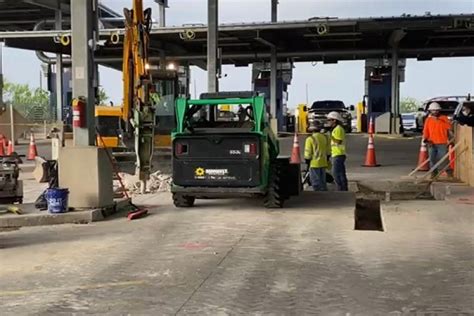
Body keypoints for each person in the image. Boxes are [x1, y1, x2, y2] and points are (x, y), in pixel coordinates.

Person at [422, 102, 453, 178]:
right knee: (432, 159)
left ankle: (449, 172)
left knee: (443, 158)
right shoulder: (428, 120)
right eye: (433, 110)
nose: (435, 112)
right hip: (431, 142)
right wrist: (426, 140)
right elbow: (425, 131)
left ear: (439, 110)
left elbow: (449, 127)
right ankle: (433, 173)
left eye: (436, 110)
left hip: (442, 142)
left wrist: (438, 120)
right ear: (430, 111)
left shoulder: (444, 118)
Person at [304, 121, 329, 191]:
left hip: (314, 163)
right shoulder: (325, 137)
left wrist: (307, 161)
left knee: (315, 182)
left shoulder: (310, 139)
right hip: (323, 162)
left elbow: (308, 153)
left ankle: (318, 195)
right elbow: (328, 151)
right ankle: (324, 193)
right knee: (323, 181)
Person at [327, 111, 348, 191]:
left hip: (338, 154)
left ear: (334, 120)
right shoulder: (336, 129)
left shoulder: (338, 129)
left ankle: (341, 190)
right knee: (341, 174)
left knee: (336, 174)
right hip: (338, 154)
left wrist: (330, 136)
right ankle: (344, 190)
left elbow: (338, 141)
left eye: (329, 120)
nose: (328, 122)